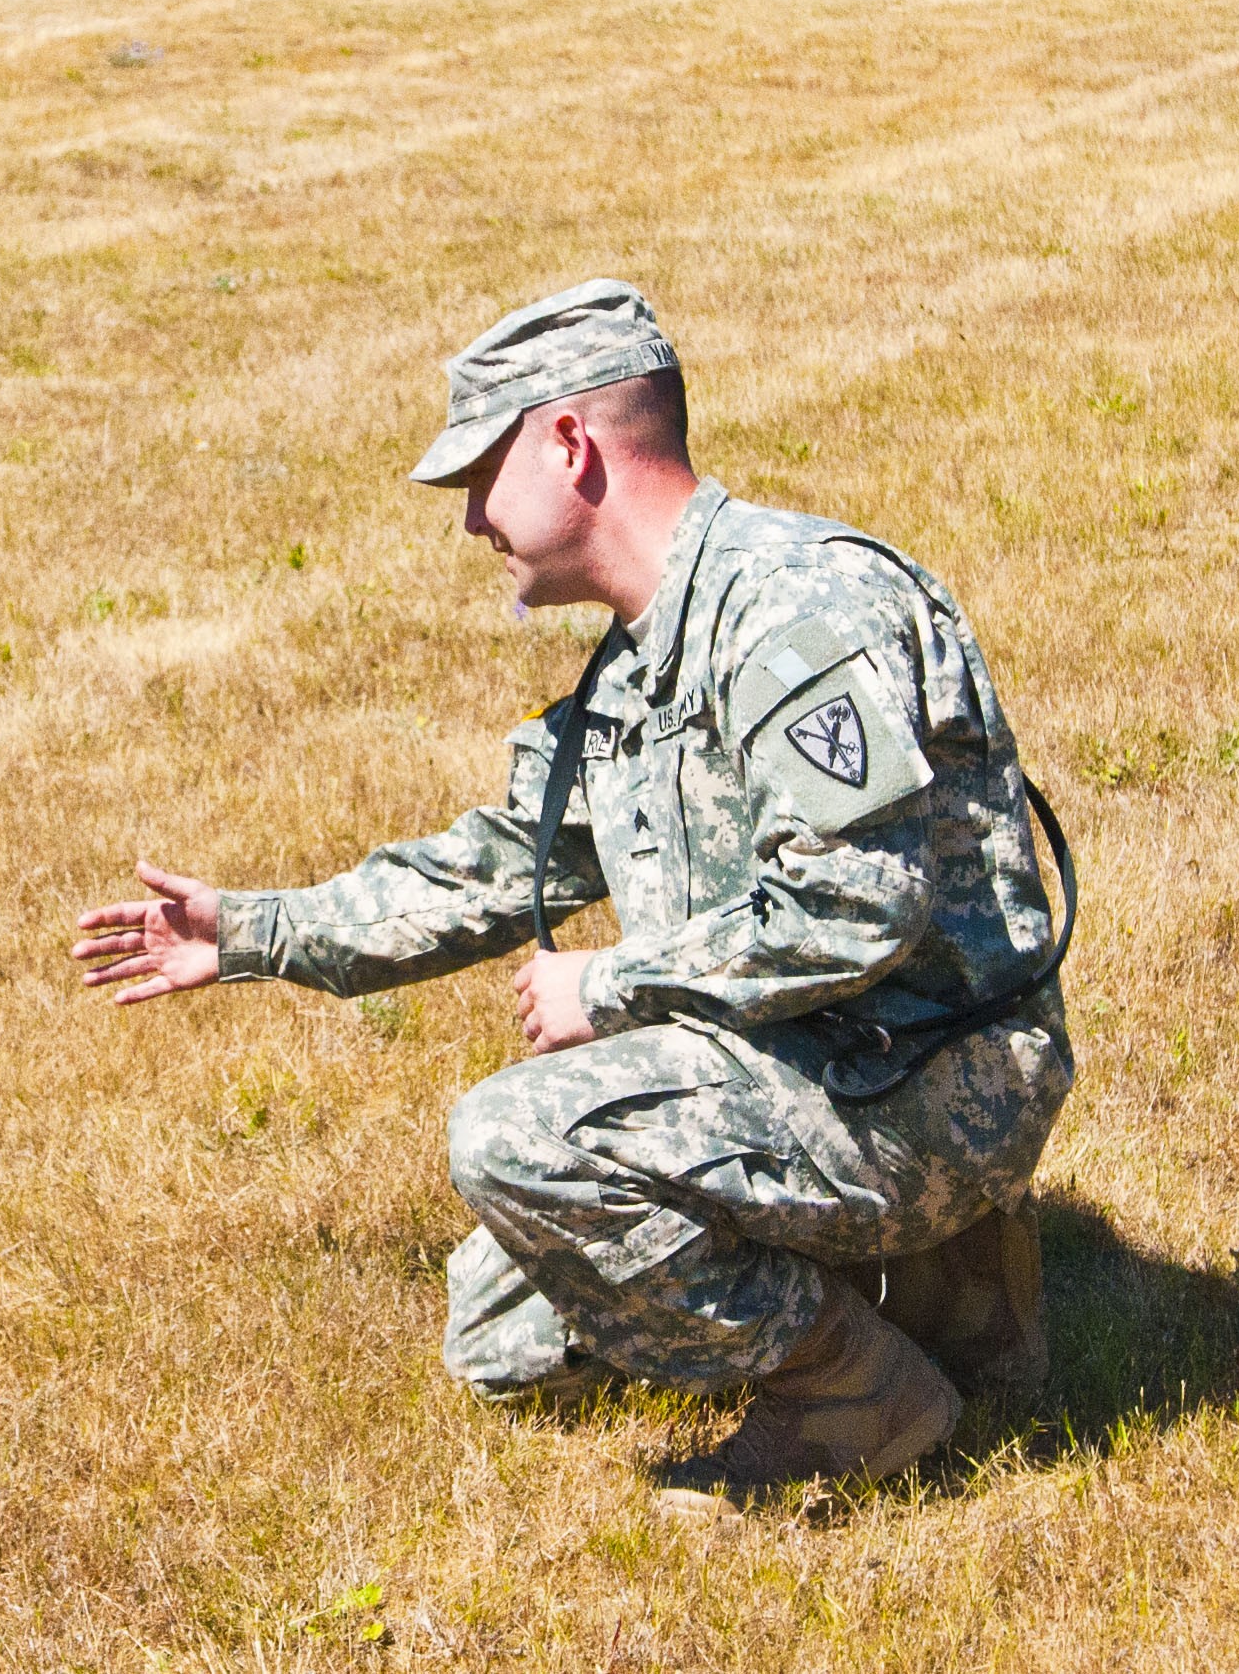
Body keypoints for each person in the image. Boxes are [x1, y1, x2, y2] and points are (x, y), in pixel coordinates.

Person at [69, 280, 1071, 1514]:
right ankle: (929, 1281)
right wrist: (256, 931)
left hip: (934, 1078)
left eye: (478, 477)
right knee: (501, 1340)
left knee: (519, 1140)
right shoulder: (645, 657)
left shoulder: (789, 610)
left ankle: (855, 1388)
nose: (471, 521)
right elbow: (497, 865)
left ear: (569, 443)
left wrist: (608, 985)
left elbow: (859, 908)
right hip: (816, 1062)